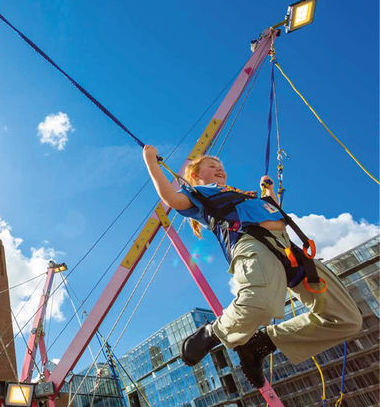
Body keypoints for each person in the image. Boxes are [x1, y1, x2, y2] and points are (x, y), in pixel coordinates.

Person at [142, 145, 362, 388]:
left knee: (347, 319)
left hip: (289, 250)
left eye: (222, 168)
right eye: (212, 166)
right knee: (260, 302)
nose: (219, 170)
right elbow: (171, 199)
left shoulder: (244, 195)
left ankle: (261, 343)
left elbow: (272, 211)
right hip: (252, 243)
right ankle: (211, 333)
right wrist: (151, 162)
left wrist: (267, 192)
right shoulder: (201, 193)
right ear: (194, 175)